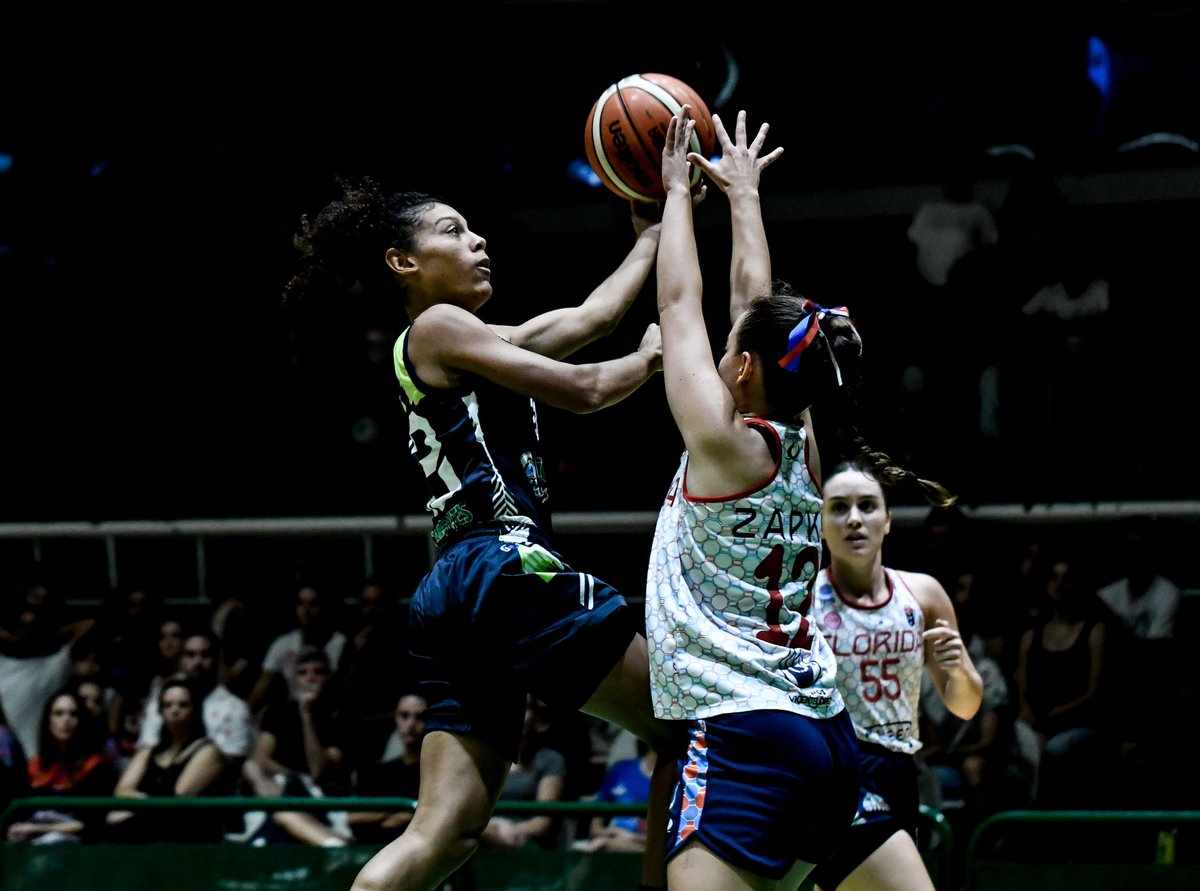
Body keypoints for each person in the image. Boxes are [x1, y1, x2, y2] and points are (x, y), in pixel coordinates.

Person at [281, 175, 678, 891]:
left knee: (448, 830)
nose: (478, 240)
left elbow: (595, 314)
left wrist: (650, 232)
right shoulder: (436, 327)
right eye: (454, 230)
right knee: (682, 727)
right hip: (505, 564)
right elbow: (586, 388)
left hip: (454, 587)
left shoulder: (476, 340)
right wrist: (652, 361)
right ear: (404, 262)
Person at [646, 106, 900, 890]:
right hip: (828, 730)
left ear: (746, 367)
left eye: (733, 349)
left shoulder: (723, 448)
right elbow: (751, 308)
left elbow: (679, 307)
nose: (719, 350)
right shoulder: (816, 450)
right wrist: (745, 198)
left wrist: (677, 197)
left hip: (742, 732)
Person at [798, 460, 983, 891]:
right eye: (839, 508)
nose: (855, 519)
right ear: (821, 523)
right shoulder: (802, 603)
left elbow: (966, 704)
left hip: (901, 773)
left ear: (888, 521)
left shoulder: (923, 595)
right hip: (836, 773)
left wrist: (956, 667)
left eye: (867, 506)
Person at [1014, 552, 1114, 809]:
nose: (1059, 585)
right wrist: (1030, 716)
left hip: (1079, 724)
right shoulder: (1031, 636)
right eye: (1054, 578)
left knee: (1057, 750)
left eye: (1067, 579)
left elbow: (1094, 693)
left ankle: (1051, 820)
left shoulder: (1093, 630)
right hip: (1037, 724)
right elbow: (1022, 690)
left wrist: (1057, 715)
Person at [105, 676, 227, 844]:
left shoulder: (208, 750)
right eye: (168, 705)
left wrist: (136, 807)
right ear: (161, 711)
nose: (174, 710)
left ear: (195, 709)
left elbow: (179, 796)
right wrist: (147, 803)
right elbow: (122, 791)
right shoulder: (149, 752)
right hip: (149, 829)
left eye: (182, 705)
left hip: (190, 834)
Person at [135, 627, 254, 786]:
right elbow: (146, 749)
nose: (198, 662)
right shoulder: (164, 698)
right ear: (181, 659)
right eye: (190, 655)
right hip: (157, 783)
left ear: (217, 659)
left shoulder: (235, 708)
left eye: (205, 655)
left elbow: (231, 764)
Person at [5, 689, 117, 845]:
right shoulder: (34, 767)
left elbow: (92, 823)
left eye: (73, 714)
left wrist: (36, 830)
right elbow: (16, 816)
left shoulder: (98, 768)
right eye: (59, 713)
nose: (66, 720)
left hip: (76, 846)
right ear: (48, 721)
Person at [481, 695, 569, 852]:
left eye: (525, 707)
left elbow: (541, 823)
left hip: (525, 846)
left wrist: (507, 831)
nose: (517, 713)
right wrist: (493, 826)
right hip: (484, 841)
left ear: (535, 716)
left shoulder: (550, 760)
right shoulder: (486, 757)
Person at [347, 692, 427, 846]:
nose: (411, 724)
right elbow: (354, 818)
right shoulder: (375, 772)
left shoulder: (435, 774)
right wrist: (402, 813)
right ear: (395, 718)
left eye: (420, 717)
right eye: (404, 716)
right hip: (374, 850)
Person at [581, 739, 656, 853]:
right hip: (613, 842)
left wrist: (632, 838)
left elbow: (670, 839)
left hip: (651, 852)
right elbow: (595, 828)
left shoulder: (682, 777)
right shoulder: (620, 769)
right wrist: (614, 834)